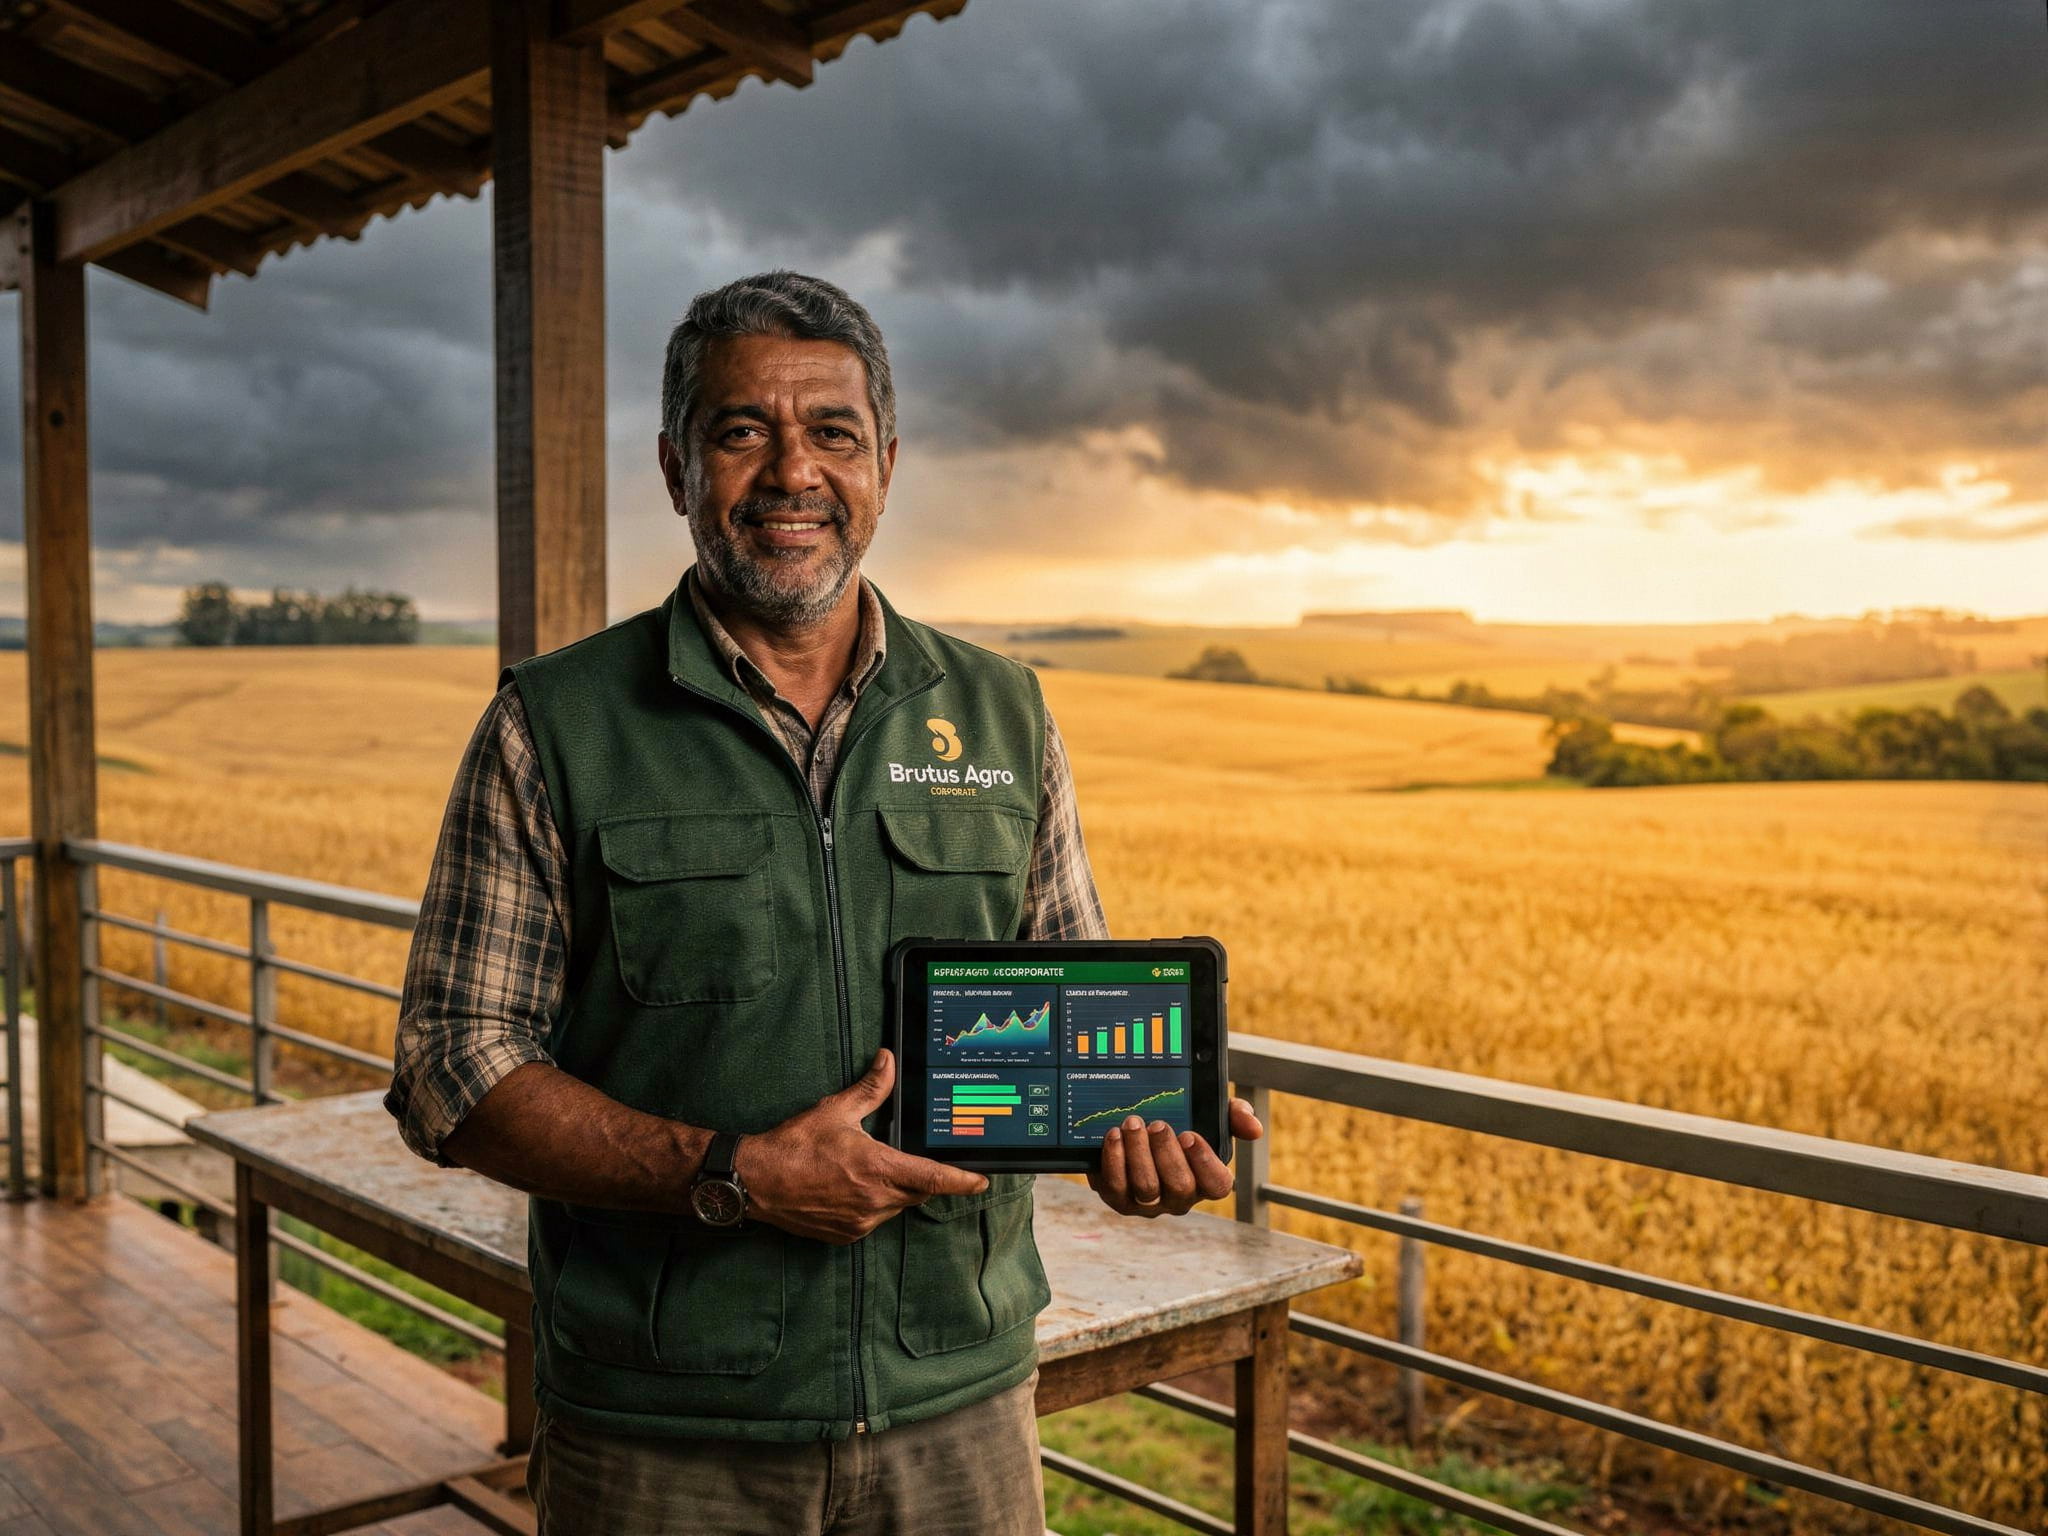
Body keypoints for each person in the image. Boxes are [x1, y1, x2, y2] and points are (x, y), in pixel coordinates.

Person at [384, 270, 1263, 1535]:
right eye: (742, 430)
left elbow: (1063, 997)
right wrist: (733, 1174)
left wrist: (1127, 1132)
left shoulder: (1004, 711)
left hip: (955, 1412)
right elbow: (448, 1068)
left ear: (886, 465)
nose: (792, 472)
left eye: (832, 433)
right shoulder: (557, 724)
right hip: (662, 1434)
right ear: (676, 468)